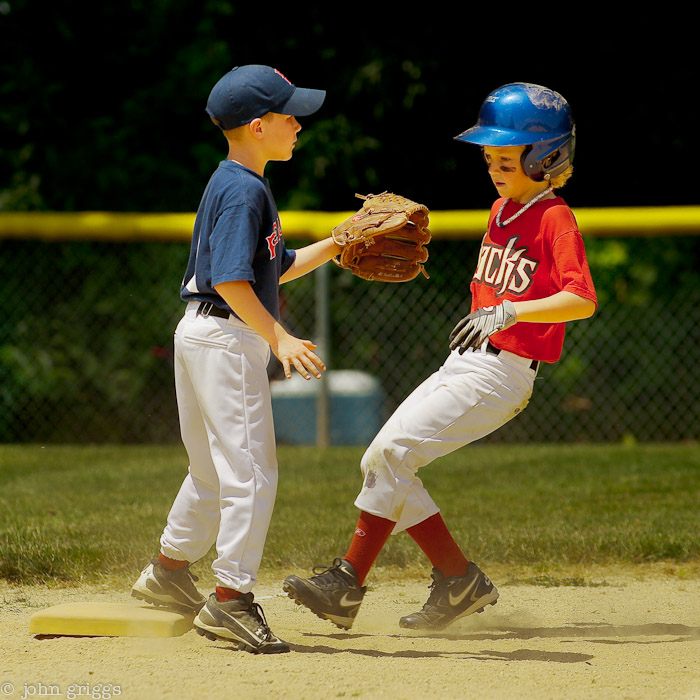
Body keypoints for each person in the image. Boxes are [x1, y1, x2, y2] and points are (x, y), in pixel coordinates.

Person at [282, 82, 598, 632]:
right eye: (489, 157)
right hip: (469, 363)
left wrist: (512, 312)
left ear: (546, 156)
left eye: (506, 157)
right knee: (383, 459)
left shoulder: (554, 217)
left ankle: (348, 584)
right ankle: (458, 580)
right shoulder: (501, 209)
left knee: (392, 453)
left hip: (504, 372)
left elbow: (582, 299)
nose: (494, 167)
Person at [131, 65, 341, 654]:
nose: (298, 123)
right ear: (257, 125)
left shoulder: (233, 179)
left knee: (210, 472)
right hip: (226, 338)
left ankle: (169, 572)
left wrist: (336, 245)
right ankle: (231, 600)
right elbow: (230, 280)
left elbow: (263, 271)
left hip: (202, 335)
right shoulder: (247, 189)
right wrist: (281, 339)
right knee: (250, 474)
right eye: (288, 114)